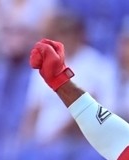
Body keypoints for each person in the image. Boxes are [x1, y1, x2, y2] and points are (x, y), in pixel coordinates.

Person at [21, 13, 116, 143]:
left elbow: (89, 109)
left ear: (80, 35)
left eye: (69, 33)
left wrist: (57, 136)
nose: (65, 38)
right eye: (61, 33)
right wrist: (25, 139)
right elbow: (33, 109)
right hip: (42, 143)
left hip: (75, 142)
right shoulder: (46, 64)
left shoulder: (97, 64)